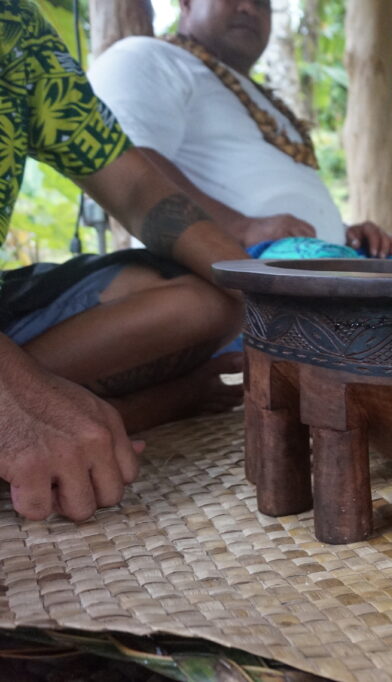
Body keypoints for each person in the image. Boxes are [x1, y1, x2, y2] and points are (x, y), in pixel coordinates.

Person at [0, 0, 263, 522]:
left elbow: (139, 187)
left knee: (209, 303)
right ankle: (144, 408)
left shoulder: (17, 31)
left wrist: (277, 307)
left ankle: (74, 416)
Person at [88, 0, 392, 260]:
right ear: (186, 2)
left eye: (262, 3)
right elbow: (125, 168)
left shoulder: (256, 95)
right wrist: (241, 228)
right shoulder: (148, 56)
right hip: (232, 268)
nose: (249, 8)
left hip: (324, 254)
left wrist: (345, 233)